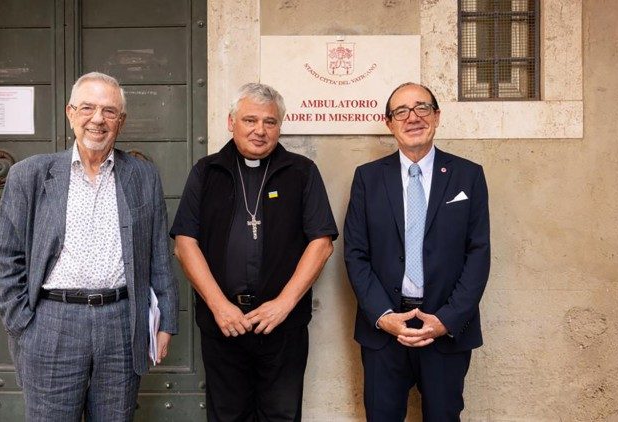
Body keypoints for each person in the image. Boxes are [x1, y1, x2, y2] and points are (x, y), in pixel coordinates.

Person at [0, 71, 179, 421]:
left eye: (109, 111)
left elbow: (158, 254)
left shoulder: (142, 175)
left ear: (120, 121)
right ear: (70, 113)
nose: (97, 119)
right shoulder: (29, 175)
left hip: (121, 320)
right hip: (52, 320)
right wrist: (23, 325)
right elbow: (5, 260)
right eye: (88, 108)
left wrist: (165, 319)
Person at [170, 82, 338, 421]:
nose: (260, 130)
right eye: (250, 120)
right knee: (227, 415)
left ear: (280, 126)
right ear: (231, 122)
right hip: (223, 323)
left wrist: (283, 304)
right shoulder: (206, 172)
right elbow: (184, 243)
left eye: (270, 122)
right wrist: (219, 305)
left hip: (282, 325)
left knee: (281, 414)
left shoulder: (301, 172)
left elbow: (321, 243)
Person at [343, 82, 490, 421]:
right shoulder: (367, 178)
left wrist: (447, 320)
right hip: (384, 332)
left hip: (444, 329)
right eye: (401, 111)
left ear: (436, 116)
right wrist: (383, 316)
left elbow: (478, 253)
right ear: (389, 123)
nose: (412, 118)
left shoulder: (468, 176)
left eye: (422, 108)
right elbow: (355, 253)